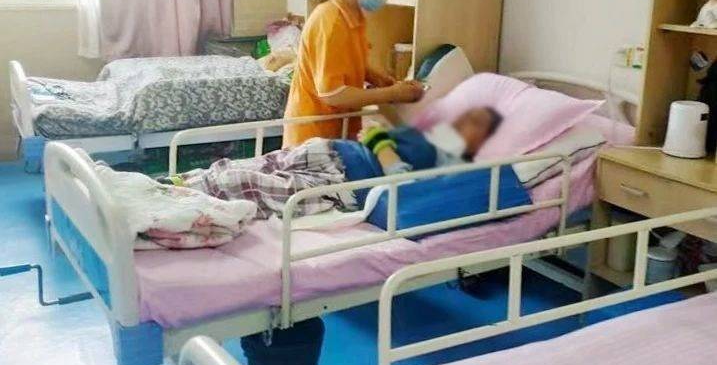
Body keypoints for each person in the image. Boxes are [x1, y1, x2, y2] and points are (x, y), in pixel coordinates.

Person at [164, 107, 503, 219]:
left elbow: (408, 187)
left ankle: (174, 198)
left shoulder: (456, 167)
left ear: (482, 140)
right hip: (330, 150)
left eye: (476, 124)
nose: (464, 123)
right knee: (252, 165)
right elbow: (377, 134)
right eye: (467, 116)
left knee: (248, 184)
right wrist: (380, 138)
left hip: (342, 182)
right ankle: (177, 183)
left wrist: (381, 144)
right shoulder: (426, 137)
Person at [283, 0, 424, 148]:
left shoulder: (353, 17)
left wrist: (380, 79)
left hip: (336, 131)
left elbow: (347, 61)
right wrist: (392, 94)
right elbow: (333, 95)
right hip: (312, 136)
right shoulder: (331, 22)